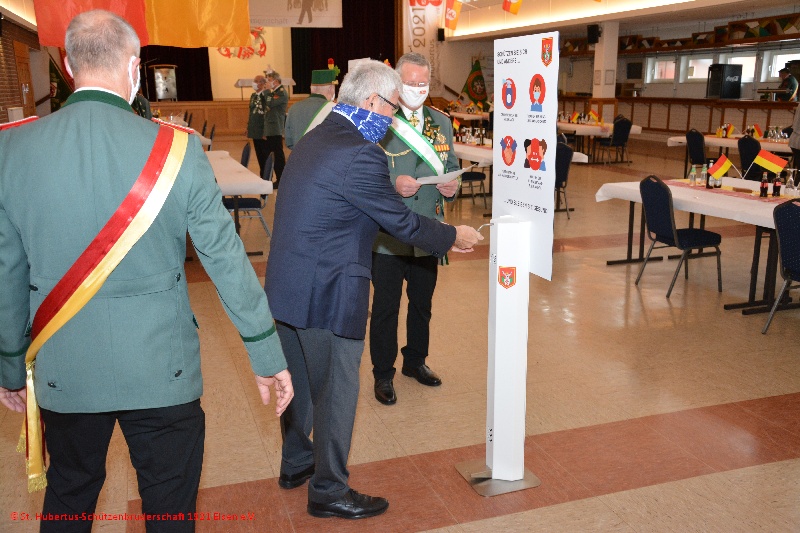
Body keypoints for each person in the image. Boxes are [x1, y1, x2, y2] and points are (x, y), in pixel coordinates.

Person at [0, 10, 293, 532]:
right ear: (135, 68)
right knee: (170, 509)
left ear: (67, 66)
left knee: (68, 497)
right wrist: (265, 352)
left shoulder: (12, 148)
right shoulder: (177, 148)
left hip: (66, 368)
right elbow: (226, 259)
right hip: (163, 371)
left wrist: (8, 365)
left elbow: (7, 273)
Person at [264, 59, 481, 520]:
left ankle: (296, 463)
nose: (393, 119)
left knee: (299, 383)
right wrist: (451, 236)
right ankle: (328, 490)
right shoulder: (360, 152)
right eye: (391, 108)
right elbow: (400, 221)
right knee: (336, 391)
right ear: (370, 101)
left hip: (288, 286)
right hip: (326, 291)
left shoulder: (316, 136)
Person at [369, 52, 460, 406]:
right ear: (397, 82)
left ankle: (415, 361)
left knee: (422, 303)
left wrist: (452, 186)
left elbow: (451, 163)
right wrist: (393, 184)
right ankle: (383, 373)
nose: (417, 89)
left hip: (427, 229)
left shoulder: (442, 122)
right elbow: (365, 172)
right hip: (389, 233)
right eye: (410, 83)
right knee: (386, 307)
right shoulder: (382, 119)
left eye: (423, 83)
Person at [284, 69, 337, 149]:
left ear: (311, 88)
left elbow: (289, 142)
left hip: (299, 155)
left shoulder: (293, 108)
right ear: (331, 89)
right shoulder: (334, 109)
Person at [263, 71, 289, 187]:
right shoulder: (274, 92)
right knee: (272, 154)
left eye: (269, 80)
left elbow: (270, 103)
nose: (267, 83)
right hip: (271, 127)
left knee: (278, 155)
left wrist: (267, 91)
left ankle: (281, 180)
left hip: (276, 127)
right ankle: (276, 178)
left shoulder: (281, 93)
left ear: (276, 81)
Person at [247, 74, 270, 178]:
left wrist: (266, 131)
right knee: (259, 156)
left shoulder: (265, 96)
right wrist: (248, 127)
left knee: (265, 156)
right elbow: (251, 113)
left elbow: (267, 114)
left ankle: (266, 177)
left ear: (262, 83)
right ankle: (262, 176)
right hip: (255, 130)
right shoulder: (253, 96)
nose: (254, 83)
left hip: (262, 131)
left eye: (256, 81)